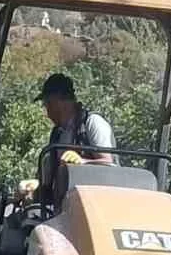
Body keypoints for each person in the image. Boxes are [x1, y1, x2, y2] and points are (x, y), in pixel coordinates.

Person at [37, 74, 114, 207]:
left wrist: (82, 162)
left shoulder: (92, 123)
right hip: (64, 207)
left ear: (58, 102)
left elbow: (109, 165)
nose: (47, 113)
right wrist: (34, 188)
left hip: (95, 205)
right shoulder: (57, 134)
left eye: (47, 104)